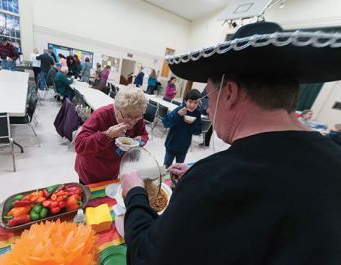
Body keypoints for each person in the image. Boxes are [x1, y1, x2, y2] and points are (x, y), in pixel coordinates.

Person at [120, 22, 341, 264]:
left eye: (208, 98)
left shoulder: (213, 181)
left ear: (229, 93)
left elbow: (145, 257)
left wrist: (135, 193)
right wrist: (198, 177)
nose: (209, 107)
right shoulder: (334, 157)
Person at [75, 87, 149, 184]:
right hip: (90, 171)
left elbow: (144, 135)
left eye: (136, 117)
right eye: (127, 117)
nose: (132, 122)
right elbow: (80, 145)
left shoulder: (137, 118)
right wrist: (107, 135)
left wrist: (139, 141)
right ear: (116, 110)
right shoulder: (101, 115)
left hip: (113, 171)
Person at [163, 89, 202, 168]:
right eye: (190, 101)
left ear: (199, 103)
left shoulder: (197, 114)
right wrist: (178, 115)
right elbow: (165, 123)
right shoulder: (179, 110)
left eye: (195, 102)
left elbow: (198, 131)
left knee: (178, 169)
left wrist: (192, 124)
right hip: (171, 145)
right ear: (185, 101)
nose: (192, 105)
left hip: (183, 148)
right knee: (166, 167)